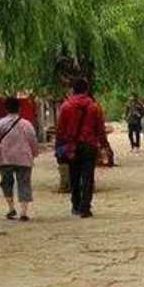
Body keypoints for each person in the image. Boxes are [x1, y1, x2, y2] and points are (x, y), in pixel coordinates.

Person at [56, 78, 106, 218]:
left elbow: (60, 129)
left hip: (72, 146)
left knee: (74, 176)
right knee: (88, 177)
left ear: (73, 90)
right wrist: (104, 145)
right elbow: (100, 128)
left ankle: (76, 205)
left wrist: (59, 147)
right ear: (86, 90)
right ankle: (85, 207)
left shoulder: (66, 107)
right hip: (89, 146)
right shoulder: (94, 107)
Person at [0, 97, 39, 221]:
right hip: (23, 158)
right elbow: (33, 141)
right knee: (24, 183)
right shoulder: (27, 124)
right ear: (19, 108)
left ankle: (11, 208)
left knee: (6, 183)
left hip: (5, 158)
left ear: (6, 108)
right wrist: (34, 154)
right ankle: (24, 212)